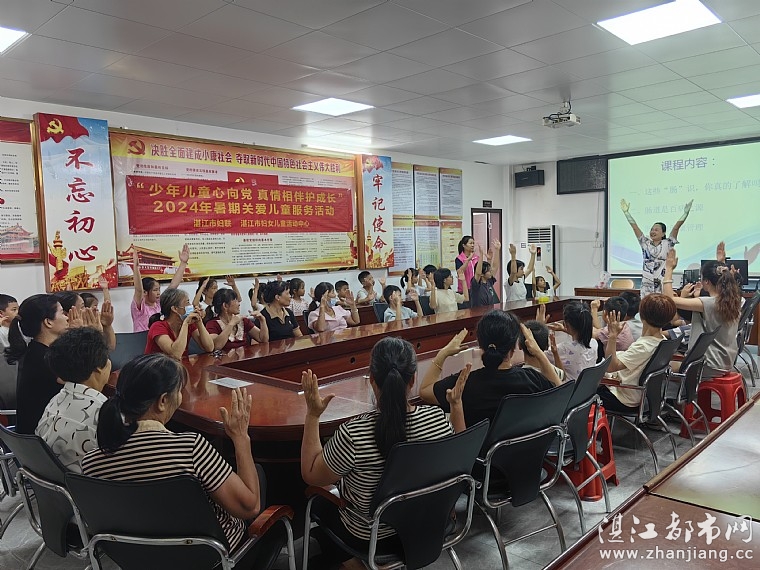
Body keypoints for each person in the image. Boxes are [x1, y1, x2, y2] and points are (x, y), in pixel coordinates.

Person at [300, 337, 468, 565]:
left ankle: (353, 563)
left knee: (320, 504)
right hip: (428, 527)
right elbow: (460, 460)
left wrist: (312, 415)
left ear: (371, 380)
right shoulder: (437, 419)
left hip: (372, 538)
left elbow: (311, 475)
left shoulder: (353, 434)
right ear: (413, 379)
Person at [83, 354, 261, 553]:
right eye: (179, 391)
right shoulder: (190, 448)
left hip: (137, 559)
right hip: (214, 558)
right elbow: (249, 508)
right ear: (163, 401)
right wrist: (240, 437)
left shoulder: (91, 464)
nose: (181, 397)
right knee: (257, 477)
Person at [420, 310, 562, 427]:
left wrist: (442, 354)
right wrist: (538, 352)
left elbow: (425, 391)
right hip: (528, 452)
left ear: (481, 345)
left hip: (481, 453)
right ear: (514, 347)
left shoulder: (465, 383)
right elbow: (561, 394)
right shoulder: (531, 378)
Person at [35, 327, 111, 473]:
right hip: (90, 485)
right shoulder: (105, 413)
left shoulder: (54, 402)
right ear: (98, 368)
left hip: (53, 482)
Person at [663, 250, 741, 378]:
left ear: (706, 282)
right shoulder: (734, 300)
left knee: (660, 367)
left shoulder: (708, 303)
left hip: (708, 364)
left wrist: (669, 269)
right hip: (725, 361)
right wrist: (720, 262)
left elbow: (669, 299)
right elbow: (723, 278)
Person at [597, 294, 677, 413]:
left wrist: (612, 336)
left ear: (641, 314)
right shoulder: (662, 341)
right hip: (641, 395)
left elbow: (610, 367)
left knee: (584, 394)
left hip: (623, 398)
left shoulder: (644, 346)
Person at [5, 294, 69, 434]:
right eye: (62, 313)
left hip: (34, 434)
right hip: (42, 436)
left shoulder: (36, 350)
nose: (67, 317)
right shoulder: (45, 359)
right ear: (48, 322)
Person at [620, 198, 693, 296]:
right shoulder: (645, 243)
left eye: (656, 230)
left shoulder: (668, 243)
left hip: (662, 284)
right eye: (652, 229)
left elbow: (676, 228)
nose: (653, 231)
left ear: (663, 233)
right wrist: (626, 213)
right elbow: (635, 227)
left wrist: (685, 214)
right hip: (646, 285)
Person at [131, 244, 189, 332]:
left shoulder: (159, 303)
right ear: (145, 292)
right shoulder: (140, 307)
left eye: (159, 289)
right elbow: (138, 290)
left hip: (159, 337)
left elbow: (173, 285)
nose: (158, 293)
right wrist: (136, 268)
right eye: (155, 290)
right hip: (141, 338)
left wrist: (183, 263)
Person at [145, 288, 214, 359]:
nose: (191, 306)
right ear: (175, 309)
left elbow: (209, 348)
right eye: (187, 303)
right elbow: (175, 354)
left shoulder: (190, 324)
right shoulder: (157, 327)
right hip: (157, 365)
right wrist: (185, 323)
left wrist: (199, 321)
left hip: (180, 364)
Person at [547, 301, 598, 382]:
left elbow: (539, 355)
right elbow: (581, 335)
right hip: (586, 388)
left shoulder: (563, 349)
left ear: (566, 325)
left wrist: (539, 325)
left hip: (568, 389)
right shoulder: (594, 343)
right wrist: (565, 329)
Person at [521, 311, 565, 383]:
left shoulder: (521, 377)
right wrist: (555, 353)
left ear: (519, 346)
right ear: (547, 346)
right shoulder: (554, 371)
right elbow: (563, 376)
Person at [470, 240, 501, 307]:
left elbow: (495, 267)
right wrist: (481, 254)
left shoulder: (489, 281)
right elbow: (478, 273)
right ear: (482, 274)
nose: (491, 272)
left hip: (490, 311)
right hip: (478, 312)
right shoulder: (476, 283)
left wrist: (497, 250)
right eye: (488, 271)